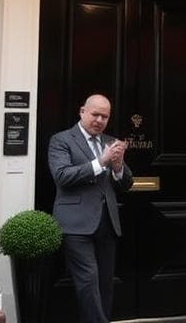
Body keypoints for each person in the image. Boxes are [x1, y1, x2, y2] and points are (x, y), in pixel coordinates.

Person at [48, 93, 134, 323]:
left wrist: (118, 167)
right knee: (88, 280)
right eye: (95, 114)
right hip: (76, 224)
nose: (99, 120)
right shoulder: (61, 140)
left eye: (105, 117)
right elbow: (62, 176)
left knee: (105, 283)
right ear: (82, 111)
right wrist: (101, 162)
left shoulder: (110, 141)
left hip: (107, 222)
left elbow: (126, 184)